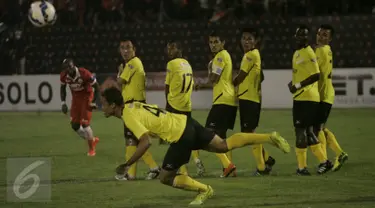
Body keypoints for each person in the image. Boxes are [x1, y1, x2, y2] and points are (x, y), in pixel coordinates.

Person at [100, 86, 291, 206]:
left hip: (180, 135)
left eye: (104, 103)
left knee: (165, 177)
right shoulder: (133, 105)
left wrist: (127, 164)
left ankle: (204, 190)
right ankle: (269, 137)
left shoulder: (128, 115)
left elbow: (145, 141)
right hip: (187, 122)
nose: (102, 107)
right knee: (224, 145)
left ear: (114, 105)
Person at [288, 25, 333, 175]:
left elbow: (316, 75)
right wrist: (294, 83)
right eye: (299, 35)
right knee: (307, 131)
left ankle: (307, 166)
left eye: (304, 35)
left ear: (308, 37)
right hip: (301, 96)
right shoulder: (297, 53)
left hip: (307, 97)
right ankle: (316, 163)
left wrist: (298, 85)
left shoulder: (309, 52)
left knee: (301, 132)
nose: (302, 38)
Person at [116, 38, 160, 180]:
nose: (125, 51)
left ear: (134, 49)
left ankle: (151, 169)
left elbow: (120, 81)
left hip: (134, 106)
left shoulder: (133, 63)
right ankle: (133, 174)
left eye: (128, 47)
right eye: (122, 48)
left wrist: (119, 72)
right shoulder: (131, 63)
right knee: (132, 140)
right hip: (132, 106)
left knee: (134, 140)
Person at [233, 28, 275, 175]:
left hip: (249, 98)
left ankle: (262, 167)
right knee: (249, 132)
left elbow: (240, 77)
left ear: (255, 41)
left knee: (249, 134)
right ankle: (267, 159)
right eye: (244, 38)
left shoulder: (250, 55)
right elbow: (261, 76)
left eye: (249, 38)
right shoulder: (255, 54)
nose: (246, 41)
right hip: (251, 98)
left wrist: (227, 84)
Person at [195, 30, 237, 177]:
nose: (213, 45)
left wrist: (205, 77)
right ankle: (229, 169)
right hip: (229, 100)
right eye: (211, 42)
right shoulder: (225, 56)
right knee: (221, 138)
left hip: (222, 101)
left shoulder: (219, 57)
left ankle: (228, 165)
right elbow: (216, 80)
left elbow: (214, 79)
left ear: (223, 43)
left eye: (216, 42)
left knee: (208, 135)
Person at [164, 40, 205, 176]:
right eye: (168, 48)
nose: (170, 50)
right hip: (186, 106)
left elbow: (167, 87)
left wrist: (167, 105)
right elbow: (192, 85)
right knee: (189, 137)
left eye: (173, 47)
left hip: (175, 106)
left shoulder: (171, 64)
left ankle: (182, 170)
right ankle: (197, 159)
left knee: (177, 139)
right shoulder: (187, 64)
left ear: (180, 50)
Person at [315, 24, 348, 171]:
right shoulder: (327, 50)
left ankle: (329, 158)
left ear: (330, 38)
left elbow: (314, 74)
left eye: (324, 35)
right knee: (320, 127)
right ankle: (336, 154)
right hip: (326, 94)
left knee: (318, 129)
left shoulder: (320, 51)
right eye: (319, 34)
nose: (320, 37)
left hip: (323, 95)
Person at [60, 58, 100, 156]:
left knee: (85, 124)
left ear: (73, 65)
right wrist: (63, 103)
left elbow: (97, 87)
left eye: (70, 67)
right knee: (75, 126)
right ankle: (92, 140)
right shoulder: (64, 76)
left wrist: (93, 102)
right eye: (66, 68)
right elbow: (62, 89)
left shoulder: (84, 73)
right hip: (76, 99)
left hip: (87, 97)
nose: (68, 70)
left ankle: (91, 149)